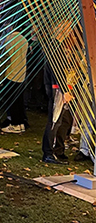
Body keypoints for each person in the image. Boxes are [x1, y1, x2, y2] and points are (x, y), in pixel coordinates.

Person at [42, 21, 74, 164]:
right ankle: (48, 153)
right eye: (66, 27)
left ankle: (56, 150)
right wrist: (64, 90)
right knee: (54, 121)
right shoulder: (55, 47)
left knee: (62, 121)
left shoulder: (57, 46)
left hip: (59, 89)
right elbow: (57, 71)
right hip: (57, 90)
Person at [1, 27, 29, 134]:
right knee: (19, 100)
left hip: (11, 73)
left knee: (12, 101)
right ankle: (21, 123)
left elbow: (5, 56)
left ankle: (15, 124)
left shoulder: (9, 39)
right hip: (21, 73)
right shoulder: (24, 39)